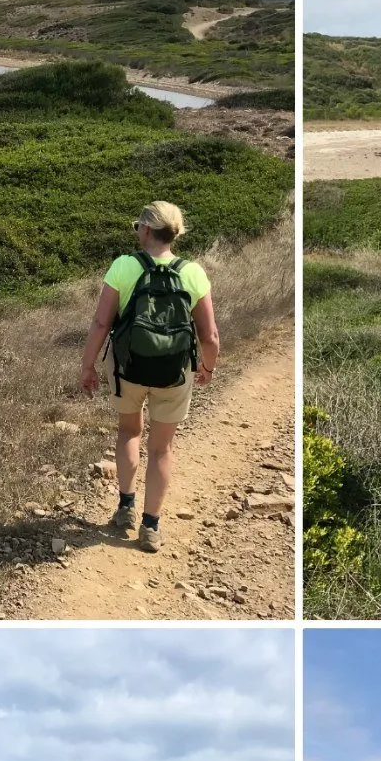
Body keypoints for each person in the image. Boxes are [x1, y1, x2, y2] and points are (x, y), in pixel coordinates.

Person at [79, 201, 219, 552]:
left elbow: (101, 323)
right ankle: (151, 527)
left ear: (144, 229)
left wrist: (87, 365)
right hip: (174, 372)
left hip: (128, 368)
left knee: (129, 431)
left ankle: (125, 507)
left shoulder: (123, 266)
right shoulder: (193, 273)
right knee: (161, 449)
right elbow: (210, 336)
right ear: (175, 233)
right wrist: (207, 367)